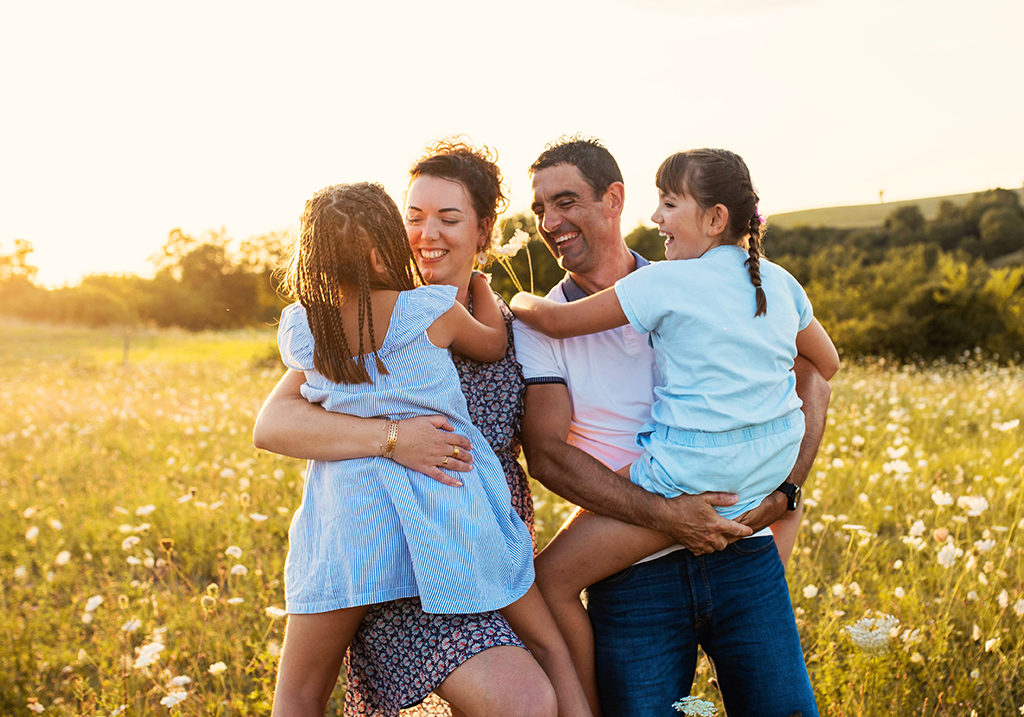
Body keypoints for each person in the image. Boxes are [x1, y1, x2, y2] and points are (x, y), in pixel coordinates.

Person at [512, 138, 833, 716]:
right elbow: (547, 454)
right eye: (539, 210)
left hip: (743, 551)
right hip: (635, 574)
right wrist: (670, 515)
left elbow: (814, 376)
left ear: (614, 199)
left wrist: (788, 491)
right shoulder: (763, 280)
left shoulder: (669, 281)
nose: (549, 221)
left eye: (564, 201)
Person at [254, 140, 570, 716]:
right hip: (401, 558)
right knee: (529, 690)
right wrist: (394, 438)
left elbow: (553, 452)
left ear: (483, 230)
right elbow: (273, 422)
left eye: (449, 218)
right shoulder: (407, 317)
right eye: (414, 218)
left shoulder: (517, 324)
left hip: (475, 546)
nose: (428, 233)